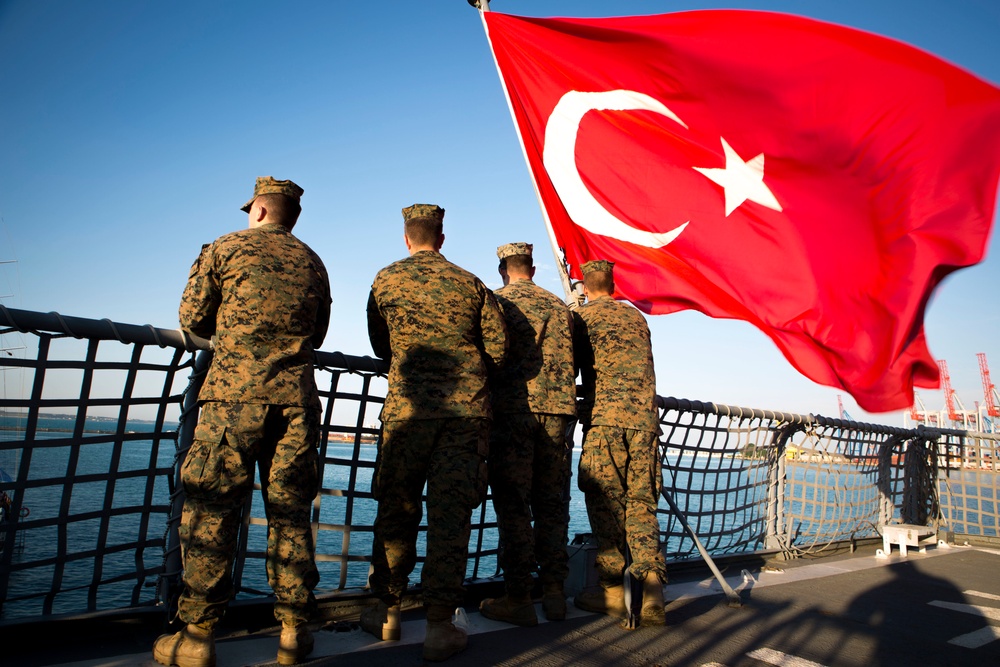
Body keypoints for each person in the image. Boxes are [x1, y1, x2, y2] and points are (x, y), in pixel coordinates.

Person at [154, 176, 331, 667]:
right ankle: (294, 631)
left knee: (213, 511)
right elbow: (317, 332)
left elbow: (192, 317)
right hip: (295, 402)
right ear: (291, 217)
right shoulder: (313, 262)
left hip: (234, 398)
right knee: (291, 513)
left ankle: (197, 636)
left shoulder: (225, 249)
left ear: (257, 211)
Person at [361, 204, 507, 661]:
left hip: (407, 413)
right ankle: (440, 625)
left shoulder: (385, 279)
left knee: (395, 510)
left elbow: (379, 343)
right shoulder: (472, 284)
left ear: (407, 238)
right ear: (441, 238)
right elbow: (498, 351)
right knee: (450, 519)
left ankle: (386, 611)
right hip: (465, 418)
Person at [478, 242, 576, 627]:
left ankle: (518, 596)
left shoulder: (496, 302)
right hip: (559, 412)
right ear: (532, 269)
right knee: (552, 505)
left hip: (513, 411)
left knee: (514, 504)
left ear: (503, 269)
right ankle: (554, 595)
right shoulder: (559, 306)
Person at [571, 259, 667, 626]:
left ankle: (612, 590)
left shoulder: (584, 319)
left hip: (605, 421)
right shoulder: (637, 318)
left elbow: (572, 366)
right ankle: (653, 584)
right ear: (612, 284)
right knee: (642, 502)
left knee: (605, 502)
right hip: (644, 423)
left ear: (585, 285)